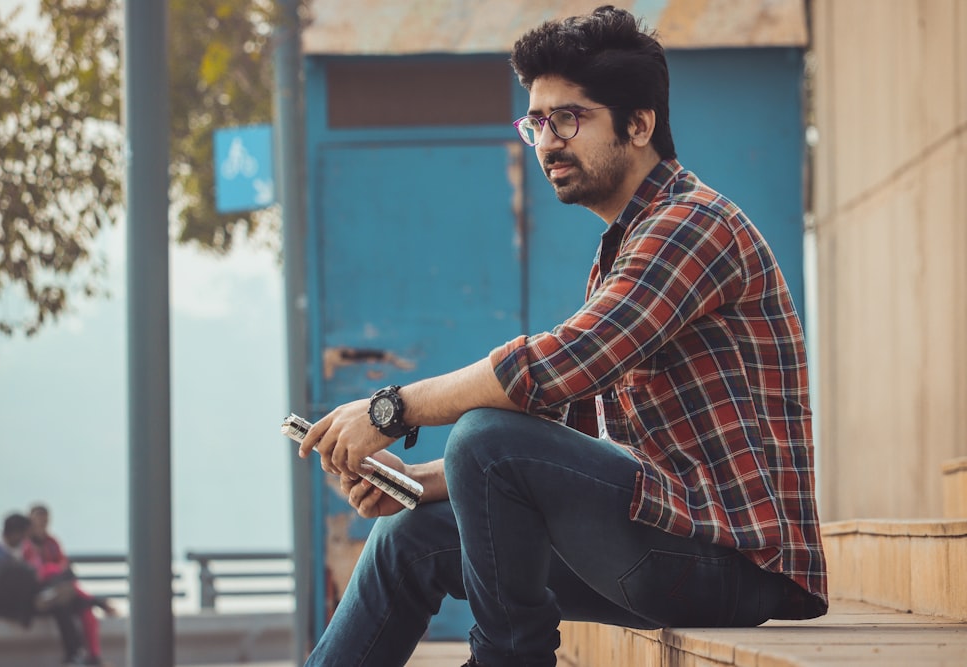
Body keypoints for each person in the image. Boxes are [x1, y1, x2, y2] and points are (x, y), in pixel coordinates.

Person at [297, 6, 828, 666]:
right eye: (537, 122)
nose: (547, 140)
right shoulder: (626, 244)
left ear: (639, 124)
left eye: (568, 118)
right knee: (409, 531)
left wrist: (391, 409)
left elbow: (557, 368)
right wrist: (418, 481)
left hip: (734, 562)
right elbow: (563, 437)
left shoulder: (691, 225)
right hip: (670, 544)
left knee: (485, 435)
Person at [0, 512, 86, 664]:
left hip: (25, 599)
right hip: (2, 603)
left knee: (61, 604)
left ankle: (73, 654)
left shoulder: (21, 549)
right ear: (15, 533)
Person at [24, 503, 114, 666]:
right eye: (38, 520)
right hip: (40, 595)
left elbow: (63, 566)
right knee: (62, 602)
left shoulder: (52, 542)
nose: (42, 524)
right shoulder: (25, 545)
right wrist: (53, 570)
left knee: (85, 609)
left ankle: (93, 656)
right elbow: (35, 572)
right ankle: (73, 653)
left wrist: (56, 570)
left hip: (60, 591)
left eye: (45, 520)